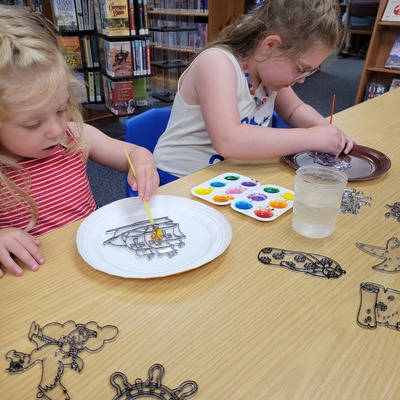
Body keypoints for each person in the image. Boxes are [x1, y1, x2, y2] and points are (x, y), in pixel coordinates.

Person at [0, 6, 159, 277]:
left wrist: (143, 162)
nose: (55, 130)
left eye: (61, 110)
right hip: (36, 284)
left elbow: (133, 153)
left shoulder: (74, 136)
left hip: (93, 266)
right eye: (33, 124)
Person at [153, 0, 357, 181]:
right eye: (301, 69)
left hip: (226, 178)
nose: (301, 80)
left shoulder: (269, 76)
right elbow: (229, 140)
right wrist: (314, 138)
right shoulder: (216, 63)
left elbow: (295, 109)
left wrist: (329, 132)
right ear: (270, 45)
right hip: (178, 180)